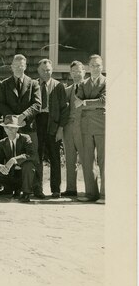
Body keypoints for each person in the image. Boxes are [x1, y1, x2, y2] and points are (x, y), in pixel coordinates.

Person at [0, 54, 43, 198]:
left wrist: (23, 116)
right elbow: (1, 104)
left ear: (25, 66)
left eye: (21, 65)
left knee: (32, 158)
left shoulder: (33, 83)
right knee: (10, 155)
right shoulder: (4, 84)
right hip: (10, 126)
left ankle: (37, 187)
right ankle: (11, 187)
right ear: (11, 67)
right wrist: (13, 120)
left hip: (28, 125)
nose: (18, 68)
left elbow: (37, 104)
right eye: (16, 66)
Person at [35, 58, 69, 198]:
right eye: (43, 70)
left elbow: (64, 109)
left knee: (55, 157)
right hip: (37, 123)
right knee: (37, 157)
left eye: (48, 70)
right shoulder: (33, 84)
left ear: (52, 70)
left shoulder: (58, 86)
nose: (46, 72)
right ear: (38, 70)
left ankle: (55, 189)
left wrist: (60, 129)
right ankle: (37, 189)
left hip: (53, 124)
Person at [76, 54, 106, 203]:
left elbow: (103, 101)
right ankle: (91, 193)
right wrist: (91, 104)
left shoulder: (107, 82)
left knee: (103, 160)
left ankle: (104, 195)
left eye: (98, 65)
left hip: (102, 125)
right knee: (87, 159)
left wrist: (85, 103)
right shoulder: (83, 83)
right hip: (86, 125)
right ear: (88, 67)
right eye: (92, 65)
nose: (95, 68)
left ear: (102, 67)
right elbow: (76, 102)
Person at [0, 115, 36, 202]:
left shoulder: (25, 138)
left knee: (29, 165)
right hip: (11, 173)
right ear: (4, 129)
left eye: (13, 128)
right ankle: (11, 189)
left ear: (17, 129)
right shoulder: (2, 143)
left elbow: (32, 155)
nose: (10, 130)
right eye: (7, 128)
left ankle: (26, 194)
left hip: (23, 173)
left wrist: (14, 159)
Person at [61, 61, 86, 197]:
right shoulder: (67, 90)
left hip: (84, 128)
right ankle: (71, 188)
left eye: (79, 71)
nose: (76, 74)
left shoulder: (89, 88)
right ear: (70, 74)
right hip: (69, 128)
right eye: (73, 72)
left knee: (87, 158)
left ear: (84, 72)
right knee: (70, 159)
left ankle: (90, 189)